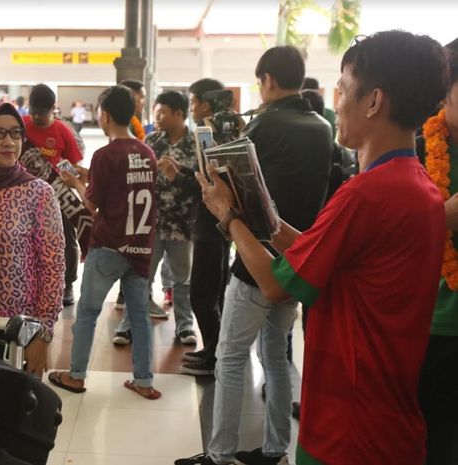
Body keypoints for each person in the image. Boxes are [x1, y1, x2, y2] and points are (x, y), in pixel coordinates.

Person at [187, 30, 447, 465]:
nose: (336, 100)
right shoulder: (419, 187)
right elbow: (319, 249)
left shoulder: (365, 195)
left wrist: (228, 217)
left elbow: (274, 285)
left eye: (342, 88)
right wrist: (261, 216)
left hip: (345, 431)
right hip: (391, 424)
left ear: (374, 101)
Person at [177, 45, 333, 465]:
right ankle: (275, 448)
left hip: (254, 261)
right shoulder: (323, 127)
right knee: (277, 356)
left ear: (266, 80)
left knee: (229, 357)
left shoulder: (265, 127)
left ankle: (220, 454)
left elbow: (237, 184)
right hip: (297, 257)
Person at [48, 85, 160, 400]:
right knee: (139, 316)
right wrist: (86, 176)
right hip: (139, 247)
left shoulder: (105, 154)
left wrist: (75, 183)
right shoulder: (147, 152)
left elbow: (94, 205)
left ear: (105, 115)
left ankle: (76, 375)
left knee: (88, 312)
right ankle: (144, 380)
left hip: (108, 245)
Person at [0, 99, 65, 377]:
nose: (9, 141)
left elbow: (53, 267)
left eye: (16, 133)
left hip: (19, 331)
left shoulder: (38, 193)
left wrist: (42, 334)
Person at [113, 90, 198, 346]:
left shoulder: (196, 144)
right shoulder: (152, 140)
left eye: (162, 112)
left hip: (182, 225)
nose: (157, 117)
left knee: (183, 278)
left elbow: (202, 180)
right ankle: (129, 324)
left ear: (179, 114)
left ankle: (184, 326)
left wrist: (179, 173)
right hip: (150, 223)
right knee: (141, 275)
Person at [417, 45, 458, 465]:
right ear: (444, 94)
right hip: (434, 324)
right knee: (434, 441)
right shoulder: (414, 152)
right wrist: (440, 217)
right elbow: (386, 238)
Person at [176, 77, 231, 376]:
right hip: (222, 225)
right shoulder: (225, 132)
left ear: (205, 105)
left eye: (193, 102)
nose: (191, 108)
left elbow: (209, 181)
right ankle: (214, 350)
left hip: (211, 225)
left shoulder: (207, 135)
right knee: (215, 292)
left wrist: (182, 176)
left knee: (202, 293)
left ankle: (214, 357)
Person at [23, 83, 84, 306]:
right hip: (26, 195)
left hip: (57, 193)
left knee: (67, 237)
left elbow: (73, 164)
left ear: (53, 109)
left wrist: (67, 177)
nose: (36, 117)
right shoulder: (22, 126)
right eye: (33, 112)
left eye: (42, 113)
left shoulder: (63, 131)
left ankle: (68, 284)